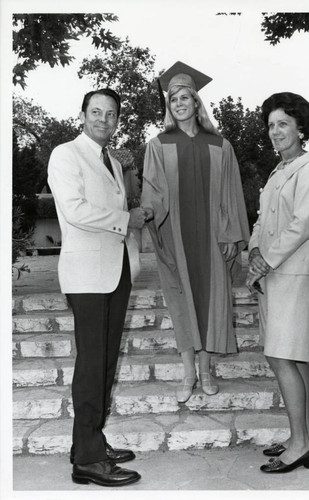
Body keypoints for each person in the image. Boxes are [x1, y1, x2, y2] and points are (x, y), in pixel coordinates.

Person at [48, 88, 146, 487]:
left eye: (111, 114)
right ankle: (88, 460)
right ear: (83, 114)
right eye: (96, 112)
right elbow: (75, 210)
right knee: (92, 365)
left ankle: (89, 442)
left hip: (115, 271)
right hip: (87, 276)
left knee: (104, 363)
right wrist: (127, 219)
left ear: (117, 120)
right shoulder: (66, 155)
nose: (103, 119)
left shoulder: (111, 159)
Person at [141, 61, 250, 403]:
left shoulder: (220, 145)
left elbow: (232, 194)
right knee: (182, 301)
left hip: (213, 238)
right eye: (173, 99)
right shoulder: (158, 145)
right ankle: (189, 372)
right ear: (169, 106)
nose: (180, 103)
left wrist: (233, 234)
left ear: (197, 102)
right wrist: (149, 222)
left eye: (185, 97)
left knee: (211, 301)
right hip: (176, 236)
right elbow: (153, 194)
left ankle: (206, 370)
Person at [246, 92, 309, 473]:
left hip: (291, 274)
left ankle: (298, 444)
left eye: (283, 124)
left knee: (282, 356)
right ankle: (304, 436)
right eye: (271, 125)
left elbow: (301, 225)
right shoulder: (279, 171)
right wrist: (253, 252)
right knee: (291, 356)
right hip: (272, 273)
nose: (275, 131)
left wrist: (267, 261)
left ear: (300, 129)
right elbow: (262, 221)